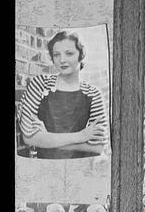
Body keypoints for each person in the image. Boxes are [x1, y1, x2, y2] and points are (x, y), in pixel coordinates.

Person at [17, 30, 109, 159]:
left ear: (81, 55)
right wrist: (81, 136)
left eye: (69, 53)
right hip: (45, 167)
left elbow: (98, 146)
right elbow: (29, 138)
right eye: (56, 55)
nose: (62, 60)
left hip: (79, 168)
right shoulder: (40, 84)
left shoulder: (93, 93)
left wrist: (46, 138)